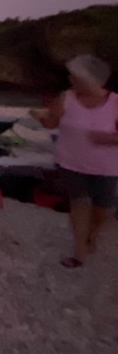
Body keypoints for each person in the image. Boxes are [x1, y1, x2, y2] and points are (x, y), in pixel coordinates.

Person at [30, 54, 118, 269]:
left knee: (104, 209)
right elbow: (52, 123)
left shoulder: (115, 102)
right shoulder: (66, 97)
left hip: (106, 167)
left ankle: (91, 235)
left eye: (75, 77)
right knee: (79, 204)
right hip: (70, 162)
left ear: (90, 79)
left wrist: (108, 139)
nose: (70, 80)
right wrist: (39, 116)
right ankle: (79, 252)